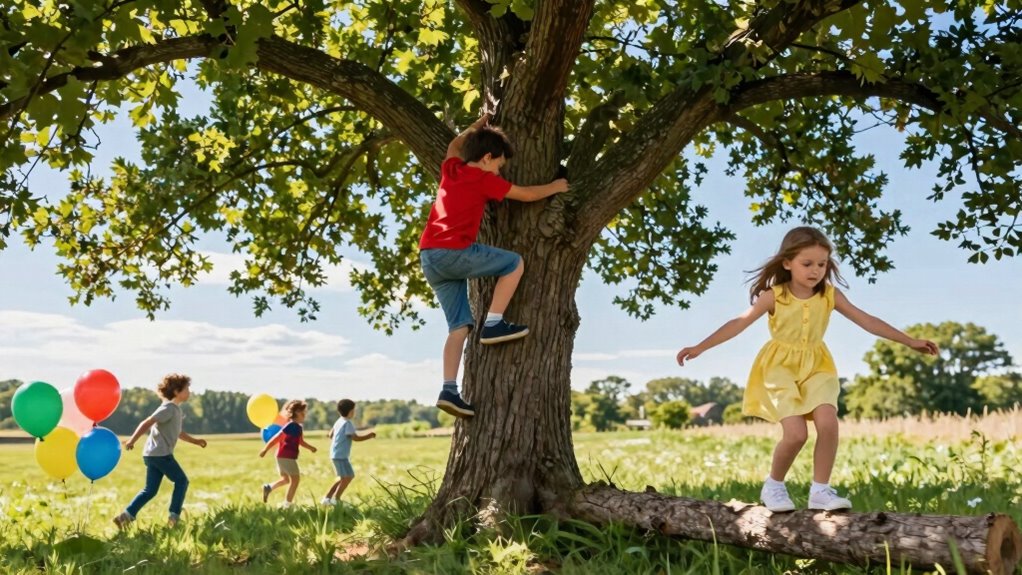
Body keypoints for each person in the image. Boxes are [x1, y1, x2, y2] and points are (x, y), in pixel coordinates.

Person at [675, 226, 938, 512]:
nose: (815, 271)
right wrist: (700, 346)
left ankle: (820, 491)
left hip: (817, 366)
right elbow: (738, 323)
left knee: (828, 422)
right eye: (807, 264)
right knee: (796, 434)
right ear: (787, 263)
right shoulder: (774, 296)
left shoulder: (829, 295)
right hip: (779, 370)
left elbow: (868, 321)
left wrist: (909, 341)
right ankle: (774, 485)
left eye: (822, 264)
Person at [419, 113, 570, 418]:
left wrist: (477, 124)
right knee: (514, 263)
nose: (500, 170)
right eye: (500, 164)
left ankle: (449, 389)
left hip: (430, 257)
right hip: (454, 251)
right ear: (487, 158)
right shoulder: (484, 179)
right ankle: (494, 323)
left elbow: (454, 144)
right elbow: (526, 195)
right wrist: (556, 186)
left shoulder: (452, 169)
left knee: (459, 326)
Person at [114, 373, 207, 528]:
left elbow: (178, 432)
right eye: (186, 389)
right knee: (182, 481)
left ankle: (125, 516)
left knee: (150, 490)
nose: (189, 392)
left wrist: (195, 441)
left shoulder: (175, 410)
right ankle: (174, 517)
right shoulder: (168, 408)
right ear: (177, 392)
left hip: (153, 455)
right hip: (161, 455)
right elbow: (147, 422)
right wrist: (132, 440)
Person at [259, 399, 317, 508]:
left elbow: (300, 441)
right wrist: (265, 449)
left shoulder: (298, 427)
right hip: (286, 456)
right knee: (295, 480)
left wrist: (310, 448)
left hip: (283, 456)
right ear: (295, 413)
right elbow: (276, 438)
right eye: (302, 412)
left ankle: (269, 487)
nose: (304, 414)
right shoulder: (290, 426)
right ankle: (287, 504)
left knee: (286, 479)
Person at [320, 399, 376, 506]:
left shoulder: (339, 421)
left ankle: (327, 498)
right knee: (348, 476)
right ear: (350, 412)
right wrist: (369, 435)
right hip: (341, 455)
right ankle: (336, 499)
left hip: (335, 454)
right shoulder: (348, 423)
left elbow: (330, 434)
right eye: (354, 410)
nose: (354, 412)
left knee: (343, 477)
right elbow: (355, 438)